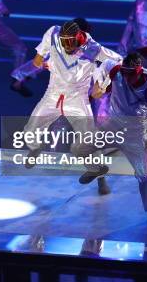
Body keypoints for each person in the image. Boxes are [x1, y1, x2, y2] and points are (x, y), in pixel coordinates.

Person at [24, 20, 121, 195]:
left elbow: (117, 61)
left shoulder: (92, 48)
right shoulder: (53, 33)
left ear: (78, 37)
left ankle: (99, 175)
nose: (67, 45)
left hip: (77, 99)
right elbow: (39, 58)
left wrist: (103, 84)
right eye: (64, 41)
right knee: (31, 129)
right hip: (52, 94)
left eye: (71, 41)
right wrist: (40, 59)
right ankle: (35, 148)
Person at [91, 52, 147, 228]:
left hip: (135, 133)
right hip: (113, 124)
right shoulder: (116, 71)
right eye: (125, 73)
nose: (127, 78)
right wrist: (99, 84)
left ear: (139, 71)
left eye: (130, 74)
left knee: (146, 177)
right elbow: (101, 67)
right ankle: (99, 175)